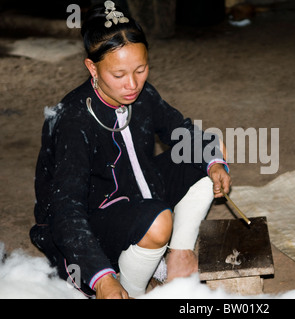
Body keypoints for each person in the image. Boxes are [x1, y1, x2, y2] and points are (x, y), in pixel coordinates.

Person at [29, 1, 231, 299]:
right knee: (158, 220)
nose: (132, 84)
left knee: (209, 151)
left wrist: (214, 163)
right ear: (91, 67)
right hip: (90, 223)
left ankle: (179, 254)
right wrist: (101, 280)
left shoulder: (143, 94)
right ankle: (130, 290)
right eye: (119, 74)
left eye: (141, 69)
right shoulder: (73, 119)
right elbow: (65, 210)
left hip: (138, 192)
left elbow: (183, 132)